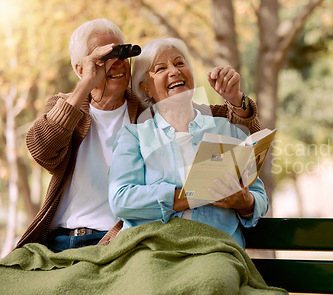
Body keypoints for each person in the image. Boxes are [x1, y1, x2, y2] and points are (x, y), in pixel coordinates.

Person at [18, 18, 261, 252]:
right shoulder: (66, 107)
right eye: (103, 58)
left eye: (122, 54)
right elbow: (42, 150)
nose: (116, 63)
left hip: (114, 240)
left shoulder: (148, 110)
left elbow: (237, 131)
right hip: (61, 237)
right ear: (80, 68)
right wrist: (86, 84)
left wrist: (237, 101)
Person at [108, 38, 269, 248]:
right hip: (155, 249)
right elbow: (122, 200)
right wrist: (191, 196)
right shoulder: (134, 136)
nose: (174, 71)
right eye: (161, 68)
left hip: (216, 248)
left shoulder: (226, 129)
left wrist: (246, 203)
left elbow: (260, 196)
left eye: (180, 63)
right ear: (146, 89)